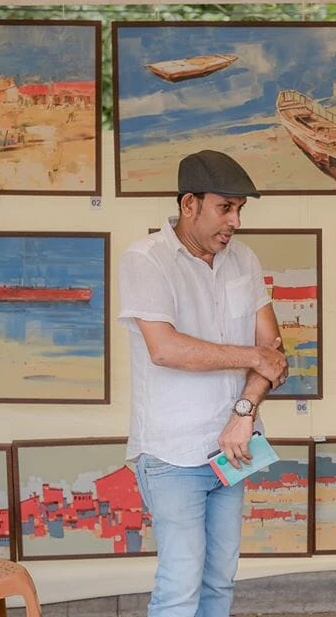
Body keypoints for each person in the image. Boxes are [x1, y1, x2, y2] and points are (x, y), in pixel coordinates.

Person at [118, 149, 289, 617]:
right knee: (179, 589)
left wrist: (244, 412)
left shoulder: (243, 259)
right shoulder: (145, 259)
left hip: (234, 448)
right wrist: (255, 356)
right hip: (173, 456)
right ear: (189, 204)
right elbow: (166, 349)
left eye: (240, 210)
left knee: (219, 584)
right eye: (225, 208)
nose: (235, 221)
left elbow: (273, 350)